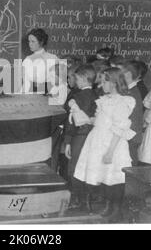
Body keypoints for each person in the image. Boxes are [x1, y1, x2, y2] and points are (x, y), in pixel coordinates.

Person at [74, 67, 135, 223]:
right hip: (98, 139)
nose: (101, 85)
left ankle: (116, 210)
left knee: (114, 176)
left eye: (104, 81)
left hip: (112, 143)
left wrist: (110, 152)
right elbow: (100, 120)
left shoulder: (123, 101)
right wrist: (81, 116)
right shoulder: (104, 100)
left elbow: (119, 127)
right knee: (103, 175)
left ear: (114, 82)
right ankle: (109, 206)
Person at [63, 65, 97, 211]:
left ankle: (77, 199)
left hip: (79, 137)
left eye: (76, 78)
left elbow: (71, 122)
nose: (75, 81)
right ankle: (88, 200)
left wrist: (67, 142)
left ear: (83, 79)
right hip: (93, 136)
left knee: (74, 168)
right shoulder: (98, 95)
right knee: (88, 168)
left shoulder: (76, 97)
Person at [22, 29, 58, 94]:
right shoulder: (27, 60)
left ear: (41, 42)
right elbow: (26, 83)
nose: (30, 44)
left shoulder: (52, 59)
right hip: (30, 96)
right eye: (29, 41)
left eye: (33, 41)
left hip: (47, 95)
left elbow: (58, 83)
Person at [122, 60, 144, 166]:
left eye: (122, 74)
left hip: (131, 136)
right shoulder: (132, 90)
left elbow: (133, 118)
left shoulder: (132, 93)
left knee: (130, 165)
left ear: (128, 75)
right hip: (132, 135)